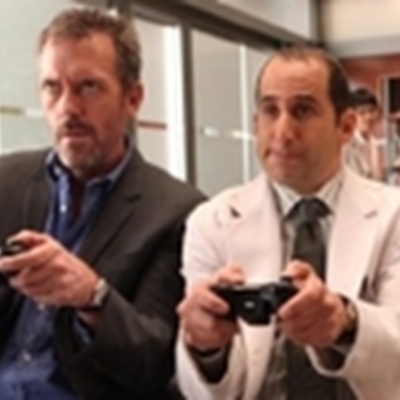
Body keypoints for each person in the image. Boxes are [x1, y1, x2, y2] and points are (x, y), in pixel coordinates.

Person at [0, 7, 204, 400]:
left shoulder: (176, 211)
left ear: (133, 98)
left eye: (88, 87)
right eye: (52, 87)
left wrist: (92, 296)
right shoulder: (5, 181)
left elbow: (156, 361)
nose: (67, 107)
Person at [176, 46, 400, 400]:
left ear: (345, 126)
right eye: (270, 111)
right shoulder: (212, 222)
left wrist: (345, 323)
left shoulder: (393, 215)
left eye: (303, 110)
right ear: (255, 124)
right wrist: (206, 348)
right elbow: (202, 393)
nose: (282, 131)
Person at [343, 87, 385, 180]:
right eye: (362, 112)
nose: (368, 117)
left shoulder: (373, 143)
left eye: (371, 111)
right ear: (351, 116)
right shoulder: (346, 145)